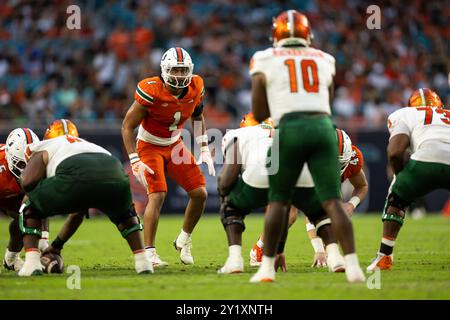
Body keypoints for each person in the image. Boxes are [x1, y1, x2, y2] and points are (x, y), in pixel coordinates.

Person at [249, 10, 365, 283]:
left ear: (275, 35)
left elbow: (258, 109)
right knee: (333, 203)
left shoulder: (264, 58)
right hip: (324, 129)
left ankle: (266, 268)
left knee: (279, 202)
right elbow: (328, 100)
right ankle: (353, 266)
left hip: (290, 129)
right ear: (307, 35)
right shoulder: (325, 59)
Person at [217, 113, 354, 275]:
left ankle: (234, 260)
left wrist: (225, 195)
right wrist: (279, 251)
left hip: (261, 169)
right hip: (298, 170)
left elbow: (226, 180)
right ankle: (335, 256)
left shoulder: (235, 135)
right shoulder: (280, 131)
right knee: (318, 212)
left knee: (231, 208)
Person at [122, 47, 214, 266]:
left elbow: (198, 116)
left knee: (200, 193)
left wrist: (203, 147)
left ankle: (184, 240)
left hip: (174, 145)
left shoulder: (196, 86)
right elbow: (127, 126)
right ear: (164, 70)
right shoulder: (151, 89)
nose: (180, 76)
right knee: (158, 195)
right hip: (149, 145)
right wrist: (134, 159)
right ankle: (150, 252)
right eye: (175, 70)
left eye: (184, 71)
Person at [16, 134, 152, 276]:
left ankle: (32, 264)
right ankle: (143, 262)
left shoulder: (40, 148)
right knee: (125, 214)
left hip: (75, 172)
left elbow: (27, 181)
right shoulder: (80, 144)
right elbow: (77, 214)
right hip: (114, 169)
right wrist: (56, 247)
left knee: (29, 204)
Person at [249, 129, 368, 268]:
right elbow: (310, 211)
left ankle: (332, 251)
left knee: (335, 208)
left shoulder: (354, 158)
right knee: (289, 215)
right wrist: (319, 250)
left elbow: (362, 185)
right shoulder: (308, 157)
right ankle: (259, 248)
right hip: (289, 170)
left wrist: (352, 204)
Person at [367, 88, 450, 271]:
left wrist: (400, 176)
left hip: (426, 158)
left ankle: (385, 256)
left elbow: (395, 152)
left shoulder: (404, 113)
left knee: (395, 201)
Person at [1, 128, 40, 271]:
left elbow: (40, 204)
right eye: (22, 165)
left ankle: (11, 258)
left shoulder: (43, 161)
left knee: (31, 213)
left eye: (31, 163)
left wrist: (44, 244)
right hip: (2, 187)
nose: (27, 170)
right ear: (10, 158)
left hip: (15, 195)